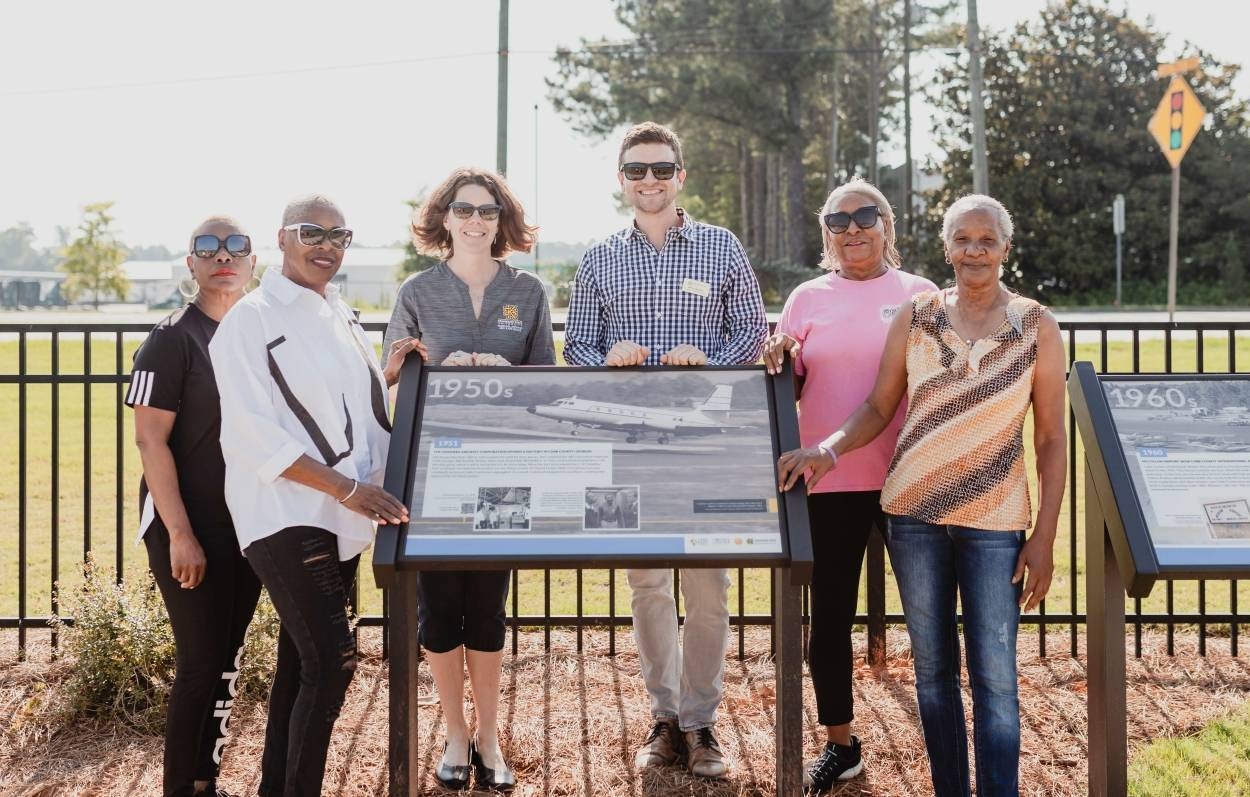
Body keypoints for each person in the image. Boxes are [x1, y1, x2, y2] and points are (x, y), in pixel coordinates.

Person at [777, 194, 1067, 797]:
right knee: (921, 666)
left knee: (994, 675)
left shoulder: (1029, 323)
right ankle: (904, 771)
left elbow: (1049, 438)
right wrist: (823, 445)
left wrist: (1044, 535)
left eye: (986, 240)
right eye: (963, 239)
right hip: (902, 507)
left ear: (1005, 247)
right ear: (947, 247)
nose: (974, 250)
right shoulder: (905, 313)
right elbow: (870, 402)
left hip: (988, 515)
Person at [564, 120, 768, 779]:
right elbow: (577, 345)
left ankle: (700, 720)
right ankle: (665, 716)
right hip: (630, 446)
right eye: (636, 170)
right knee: (647, 582)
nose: (648, 180)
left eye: (660, 169)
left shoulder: (720, 246)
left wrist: (709, 359)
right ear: (621, 180)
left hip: (704, 445)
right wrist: (606, 359)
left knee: (709, 585)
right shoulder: (599, 259)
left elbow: (752, 331)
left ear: (681, 176)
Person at [209, 195, 409, 797]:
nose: (326, 245)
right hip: (284, 512)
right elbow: (248, 433)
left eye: (338, 235)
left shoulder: (340, 316)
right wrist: (347, 488)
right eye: (311, 232)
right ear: (282, 239)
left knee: (301, 665)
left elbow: (353, 412)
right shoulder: (250, 319)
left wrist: (389, 374)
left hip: (338, 515)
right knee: (333, 661)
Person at [381, 166, 555, 791]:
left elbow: (546, 384)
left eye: (487, 210)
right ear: (444, 219)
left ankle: (489, 736)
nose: (475, 220)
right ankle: (455, 732)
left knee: (487, 607)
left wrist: (501, 377)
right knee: (437, 611)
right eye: (464, 209)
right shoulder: (417, 291)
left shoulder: (528, 291)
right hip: (434, 475)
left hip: (503, 472)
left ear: (501, 219)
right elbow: (391, 377)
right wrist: (425, 366)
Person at [762, 177, 936, 792]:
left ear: (887, 225)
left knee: (930, 619)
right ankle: (841, 745)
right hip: (829, 478)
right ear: (827, 234)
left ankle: (946, 743)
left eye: (865, 217)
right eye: (839, 221)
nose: (853, 229)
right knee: (830, 620)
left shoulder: (920, 294)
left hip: (910, 477)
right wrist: (780, 354)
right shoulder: (806, 298)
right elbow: (791, 384)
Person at [126, 217, 261, 797]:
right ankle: (181, 788)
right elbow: (149, 441)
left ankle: (208, 780)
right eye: (208, 247)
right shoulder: (172, 338)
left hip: (246, 524)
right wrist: (180, 534)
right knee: (202, 661)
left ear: (252, 260)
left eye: (235, 247)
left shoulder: (255, 334)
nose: (222, 256)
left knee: (228, 658)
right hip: (186, 526)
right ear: (191, 263)